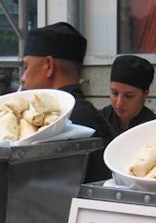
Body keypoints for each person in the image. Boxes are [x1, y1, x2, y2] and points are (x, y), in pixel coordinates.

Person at [22, 22, 116, 182]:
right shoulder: (88, 114)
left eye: (26, 66)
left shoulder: (64, 120)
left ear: (48, 66)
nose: (23, 77)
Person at [102, 55, 156, 135]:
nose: (119, 103)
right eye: (115, 93)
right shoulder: (100, 120)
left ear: (145, 94)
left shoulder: (153, 128)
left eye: (128, 96)